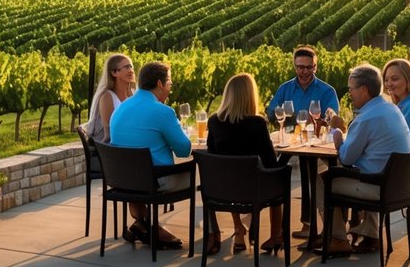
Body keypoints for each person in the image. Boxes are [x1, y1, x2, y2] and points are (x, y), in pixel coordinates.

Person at [317, 63, 410, 256]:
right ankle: (370, 234)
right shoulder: (391, 108)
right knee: (354, 171)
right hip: (400, 185)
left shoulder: (366, 118)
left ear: (364, 89)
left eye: (351, 89)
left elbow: (346, 157)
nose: (349, 93)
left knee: (322, 178)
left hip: (377, 188)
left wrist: (337, 136)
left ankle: (337, 239)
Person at [110, 60, 192, 248]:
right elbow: (184, 149)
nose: (170, 87)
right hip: (153, 182)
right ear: (160, 84)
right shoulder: (163, 112)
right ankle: (212, 234)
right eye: (169, 83)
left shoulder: (121, 108)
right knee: (201, 174)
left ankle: (144, 223)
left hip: (122, 180)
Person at [206, 73, 285, 255]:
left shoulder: (214, 121)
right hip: (253, 189)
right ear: (250, 95)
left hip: (223, 189)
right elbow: (270, 164)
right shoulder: (256, 123)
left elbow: (213, 156)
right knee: (279, 179)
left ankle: (239, 228)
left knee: (232, 174)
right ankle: (275, 236)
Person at [266, 45, 340, 238]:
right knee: (275, 169)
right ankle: (284, 229)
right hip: (290, 140)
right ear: (294, 66)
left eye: (309, 67)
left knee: (310, 169)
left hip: (315, 141)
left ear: (315, 67)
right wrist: (279, 113)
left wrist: (320, 120)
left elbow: (331, 116)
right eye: (300, 67)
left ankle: (310, 225)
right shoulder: (285, 88)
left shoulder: (326, 90)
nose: (305, 71)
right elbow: (271, 110)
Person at [86, 53, 136, 144]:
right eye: (126, 67)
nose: (131, 70)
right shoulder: (106, 97)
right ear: (114, 73)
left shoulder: (134, 93)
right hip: (111, 147)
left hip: (130, 141)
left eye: (131, 66)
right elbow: (108, 134)